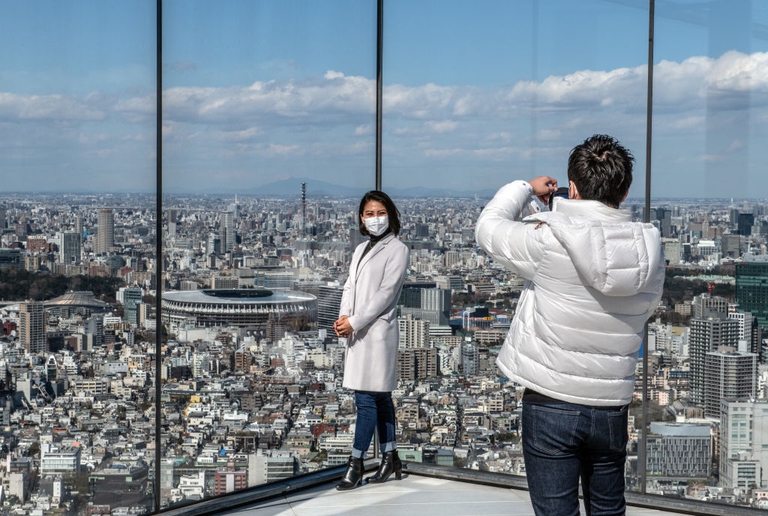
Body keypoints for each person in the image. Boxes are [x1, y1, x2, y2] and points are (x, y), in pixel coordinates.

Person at [475, 134, 665, 515]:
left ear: (572, 188)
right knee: (608, 509)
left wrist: (525, 188)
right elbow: (646, 309)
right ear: (624, 192)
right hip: (611, 404)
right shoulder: (650, 249)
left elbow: (488, 228)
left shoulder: (550, 238)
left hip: (551, 400)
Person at [334, 190, 410, 491]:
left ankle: (355, 464)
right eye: (369, 214)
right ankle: (390, 457)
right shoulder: (360, 248)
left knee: (365, 399)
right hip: (357, 331)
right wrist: (344, 317)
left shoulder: (398, 249)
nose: (375, 218)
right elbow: (349, 286)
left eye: (380, 212)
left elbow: (386, 294)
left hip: (377, 333)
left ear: (390, 214)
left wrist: (354, 321)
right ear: (361, 219)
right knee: (380, 398)